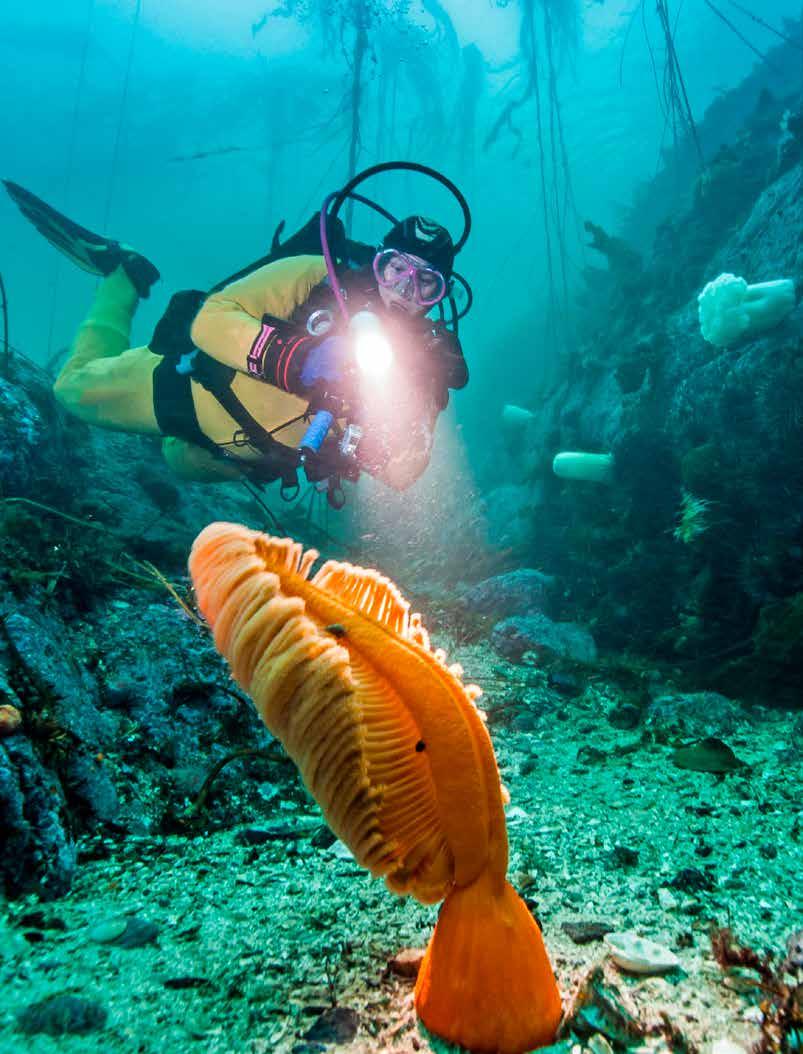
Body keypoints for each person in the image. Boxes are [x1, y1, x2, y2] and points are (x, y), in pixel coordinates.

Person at [3, 180, 469, 499]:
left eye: (425, 282)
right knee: (70, 390)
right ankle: (123, 275)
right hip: (191, 391)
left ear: (440, 296)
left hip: (239, 457)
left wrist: (388, 431)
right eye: (396, 268)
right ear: (377, 262)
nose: (404, 289)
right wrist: (297, 359)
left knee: (178, 461)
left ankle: (184, 448)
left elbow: (404, 474)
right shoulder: (315, 275)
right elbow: (209, 319)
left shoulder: (423, 366)